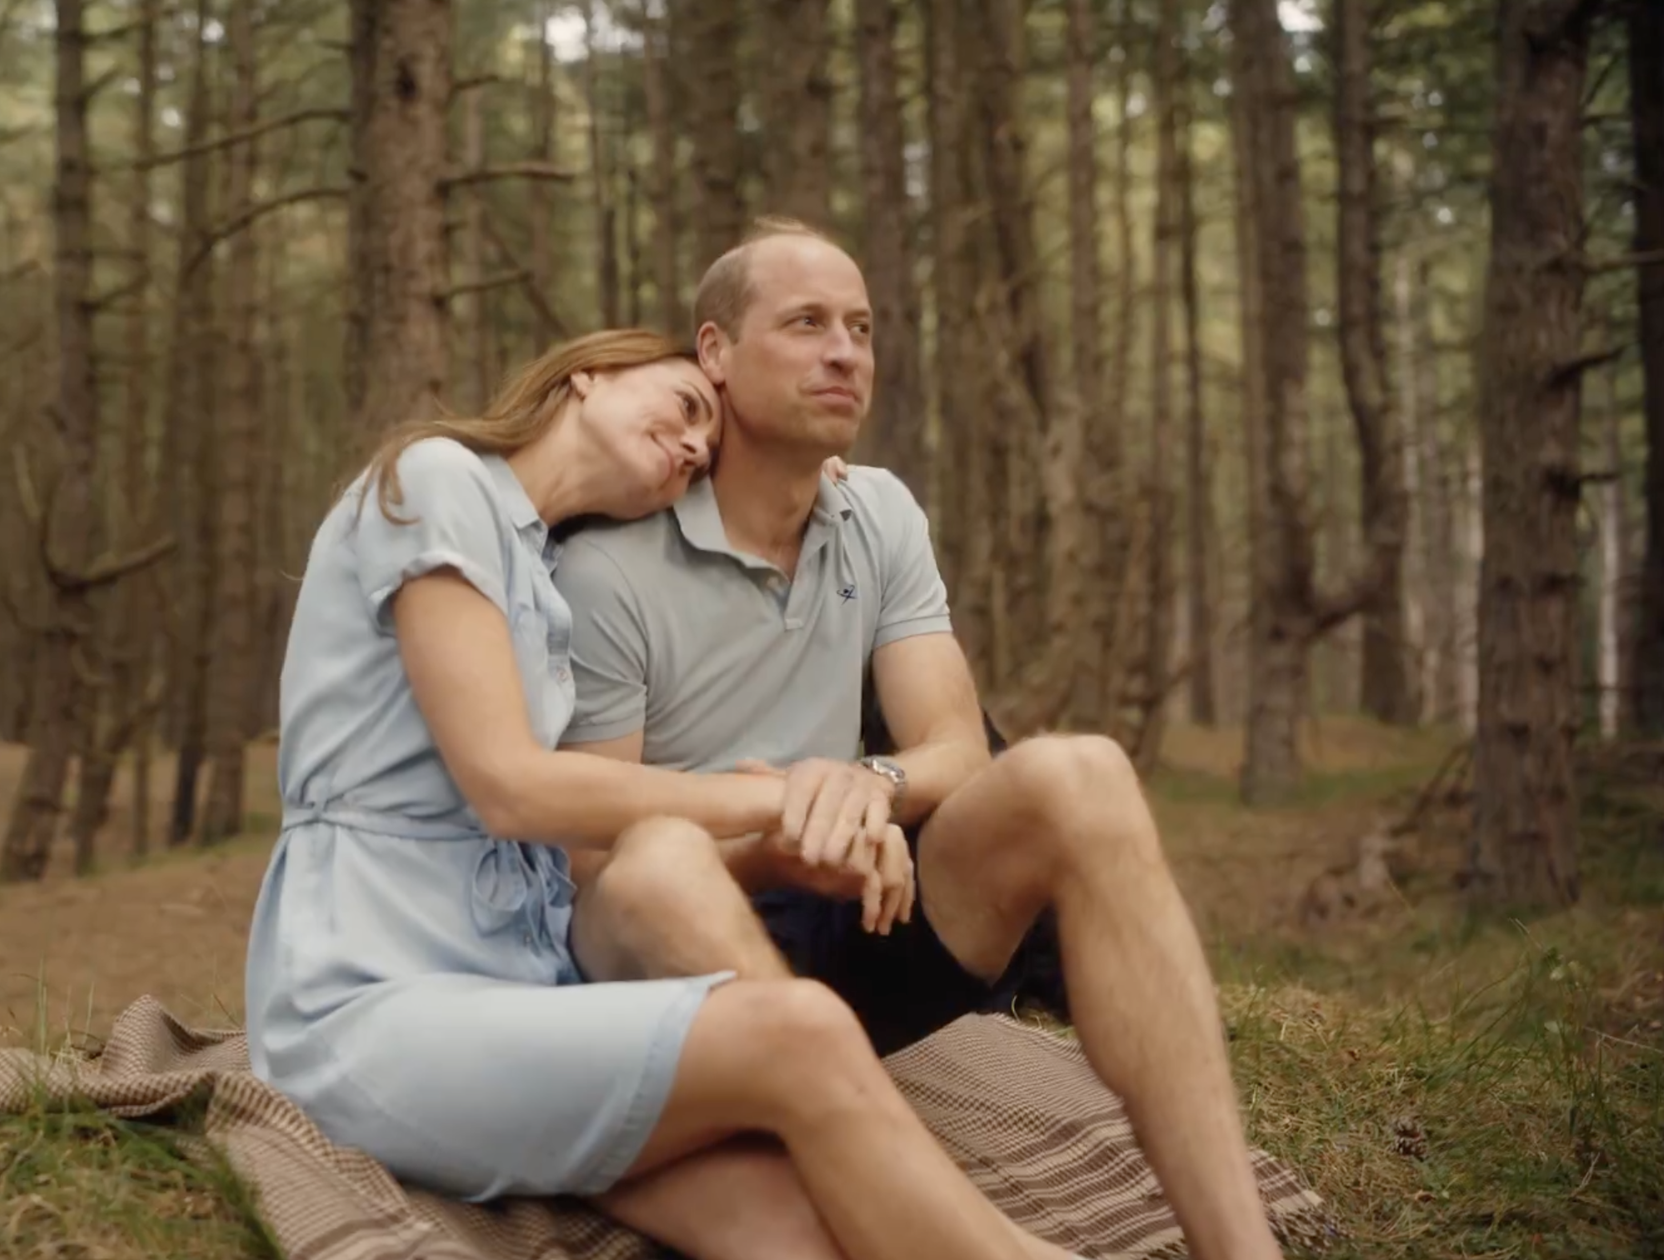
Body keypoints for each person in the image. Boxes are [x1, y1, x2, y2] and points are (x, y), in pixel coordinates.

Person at [246, 328, 1096, 1259]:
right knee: (798, 1030)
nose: (696, 445)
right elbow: (509, 787)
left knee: (797, 1226)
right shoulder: (441, 480)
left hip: (534, 994)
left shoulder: (546, 572)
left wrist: (811, 475)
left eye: (705, 450)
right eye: (686, 406)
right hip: (376, 997)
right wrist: (787, 800)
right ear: (587, 374)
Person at [551, 218, 1287, 1260]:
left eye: (860, 327)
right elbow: (587, 861)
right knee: (655, 865)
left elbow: (952, 746)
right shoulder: (611, 565)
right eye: (806, 324)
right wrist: (778, 828)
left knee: (1080, 772)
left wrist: (862, 786)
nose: (845, 351)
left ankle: (1240, 1246)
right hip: (674, 973)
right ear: (714, 353)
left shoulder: (881, 511)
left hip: (856, 910)